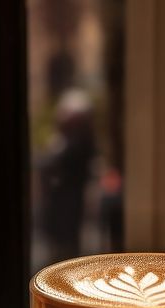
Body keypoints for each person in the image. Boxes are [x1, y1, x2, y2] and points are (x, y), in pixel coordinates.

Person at [37, 89, 96, 262]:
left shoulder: (78, 141)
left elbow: (59, 162)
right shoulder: (64, 139)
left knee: (67, 244)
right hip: (58, 201)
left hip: (69, 200)